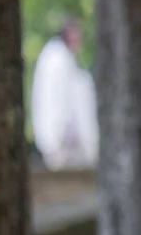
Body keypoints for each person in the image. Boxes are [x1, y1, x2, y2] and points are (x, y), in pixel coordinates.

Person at [30, 18, 99, 170]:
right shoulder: (58, 59)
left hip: (62, 139)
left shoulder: (57, 58)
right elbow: (61, 101)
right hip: (63, 140)